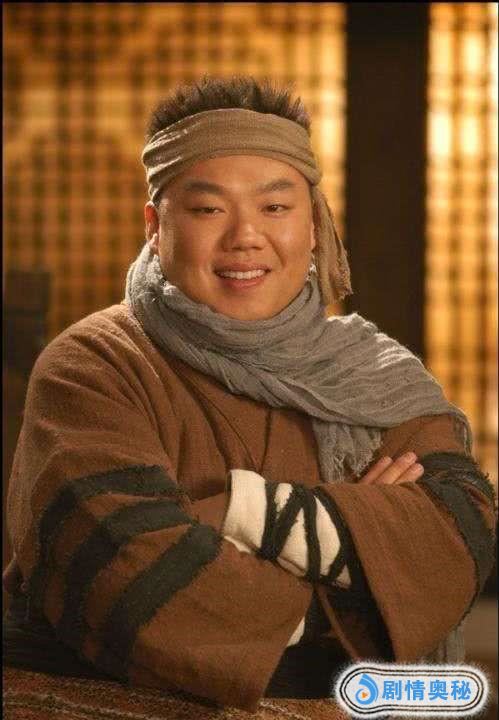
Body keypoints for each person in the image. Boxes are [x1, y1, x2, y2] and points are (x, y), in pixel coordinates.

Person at [3, 76, 496, 719]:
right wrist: (367, 578)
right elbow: (129, 579)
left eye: (275, 207)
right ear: (155, 226)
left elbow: (457, 538)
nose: (245, 237)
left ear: (313, 226)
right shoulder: (96, 365)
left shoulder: (376, 374)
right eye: (209, 210)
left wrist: (244, 512)